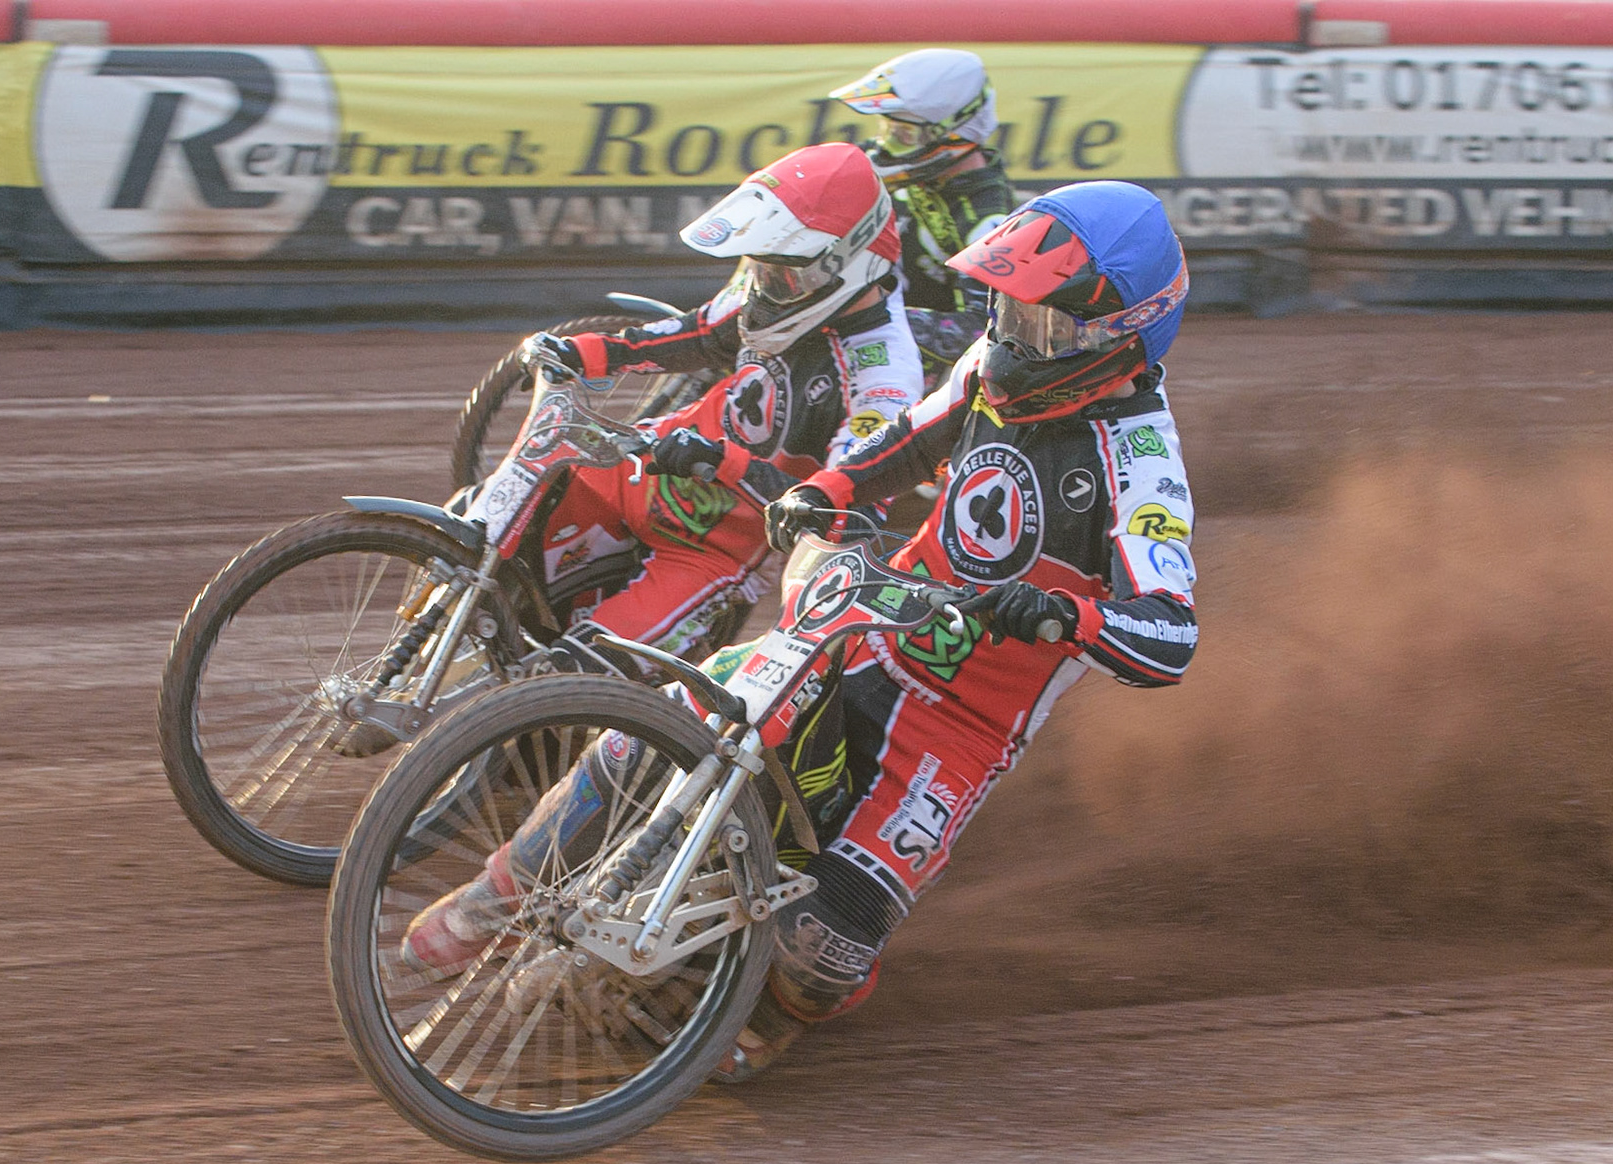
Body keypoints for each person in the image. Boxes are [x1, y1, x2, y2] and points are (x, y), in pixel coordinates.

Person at [403, 181, 1199, 1084]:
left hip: (960, 726)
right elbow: (901, 443)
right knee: (656, 735)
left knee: (825, 946)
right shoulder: (986, 367)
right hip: (864, 620)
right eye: (1005, 306)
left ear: (1116, 334)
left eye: (1042, 324)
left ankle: (770, 1014)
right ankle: (490, 898)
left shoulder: (1139, 463)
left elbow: (1169, 635)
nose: (1014, 335)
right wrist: (823, 494)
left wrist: (1066, 613)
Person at [514, 141, 924, 657]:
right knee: (496, 542)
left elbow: (839, 510)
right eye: (762, 269)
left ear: (847, 261)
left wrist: (721, 461)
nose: (767, 285)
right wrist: (586, 352)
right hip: (642, 467)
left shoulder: (883, 378)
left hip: (714, 551)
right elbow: (698, 333)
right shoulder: (777, 287)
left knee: (578, 666)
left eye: (784, 275)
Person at [828, 48, 1014, 373]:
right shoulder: (893, 166)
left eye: (904, 135)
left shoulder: (987, 223)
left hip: (909, 372)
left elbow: (984, 330)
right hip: (852, 319)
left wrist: (852, 315)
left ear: (951, 132)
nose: (886, 145)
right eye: (887, 129)